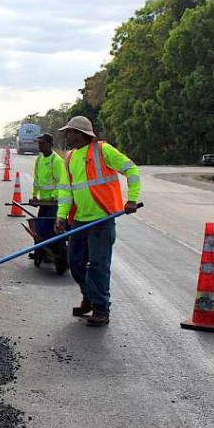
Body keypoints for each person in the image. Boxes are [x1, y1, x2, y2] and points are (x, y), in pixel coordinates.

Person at [54, 116, 141, 326]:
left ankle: (101, 308)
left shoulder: (103, 150)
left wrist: (132, 199)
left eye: (70, 132)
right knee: (75, 263)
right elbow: (66, 191)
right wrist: (61, 215)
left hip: (102, 219)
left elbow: (132, 169)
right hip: (79, 221)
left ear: (82, 134)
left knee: (98, 265)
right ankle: (89, 298)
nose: (67, 135)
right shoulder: (70, 157)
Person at [28, 133, 67, 270]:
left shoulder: (56, 161)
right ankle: (41, 250)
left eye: (42, 143)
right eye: (38, 143)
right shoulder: (39, 160)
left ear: (50, 144)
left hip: (54, 203)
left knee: (52, 229)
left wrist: (53, 196)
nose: (39, 145)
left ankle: (56, 251)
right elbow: (37, 181)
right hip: (43, 202)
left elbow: (61, 182)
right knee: (39, 227)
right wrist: (34, 196)